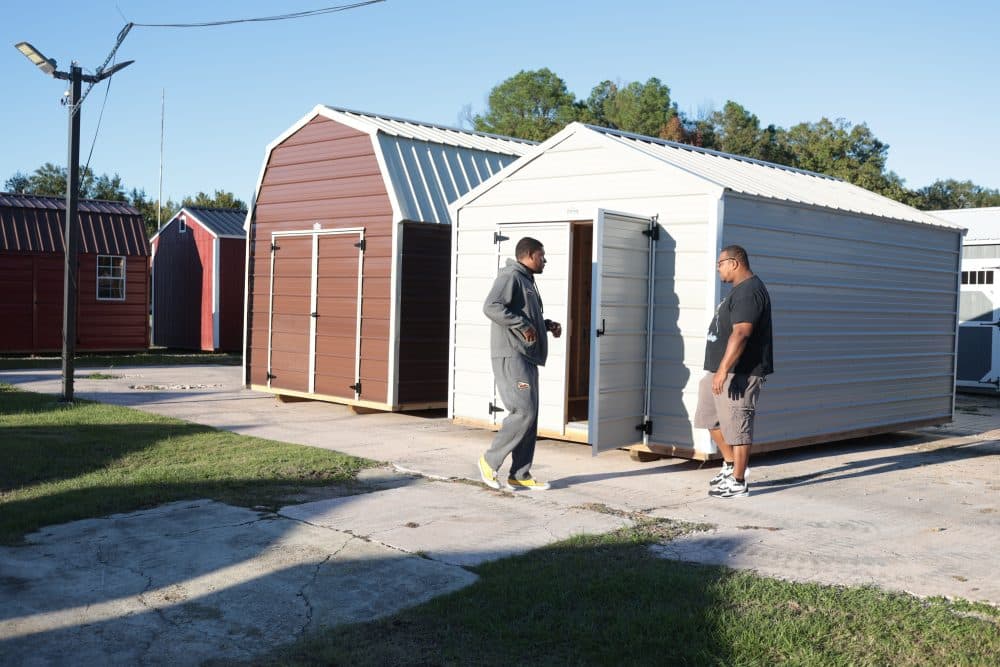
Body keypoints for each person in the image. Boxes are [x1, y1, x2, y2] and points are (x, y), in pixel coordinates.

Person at [478, 237, 562, 491]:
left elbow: (523, 316)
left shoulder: (527, 280)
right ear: (529, 255)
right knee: (522, 412)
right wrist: (523, 325)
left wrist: (545, 325)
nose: (545, 260)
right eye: (541, 255)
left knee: (530, 415)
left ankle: (520, 474)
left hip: (527, 356)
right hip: (511, 355)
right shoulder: (510, 276)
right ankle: (489, 461)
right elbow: (491, 307)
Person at [694, 245, 773, 498]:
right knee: (709, 417)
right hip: (721, 370)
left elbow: (741, 333)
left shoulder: (749, 292)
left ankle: (739, 482)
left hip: (741, 372)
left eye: (720, 264)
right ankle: (730, 465)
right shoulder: (739, 291)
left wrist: (724, 370)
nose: (718, 269)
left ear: (734, 263)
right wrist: (717, 371)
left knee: (739, 425)